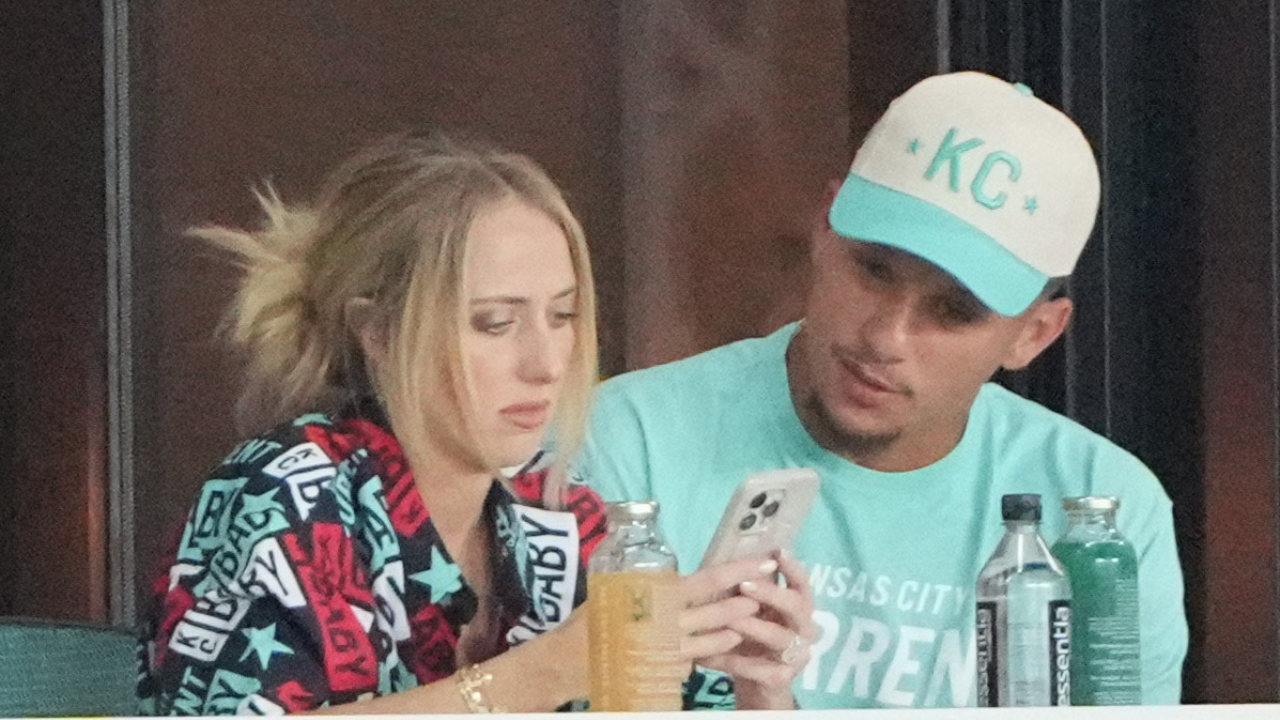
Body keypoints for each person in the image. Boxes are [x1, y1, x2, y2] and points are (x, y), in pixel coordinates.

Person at [576, 72, 1188, 708]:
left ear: (1035, 334)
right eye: (872, 270)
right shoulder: (627, 440)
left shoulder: (1103, 515)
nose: (886, 337)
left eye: (953, 311)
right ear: (824, 225)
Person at [136, 130, 786, 715]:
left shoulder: (563, 518)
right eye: (495, 323)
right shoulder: (283, 496)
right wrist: (542, 674)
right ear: (380, 332)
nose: (546, 363)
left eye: (562, 316)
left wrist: (761, 697)